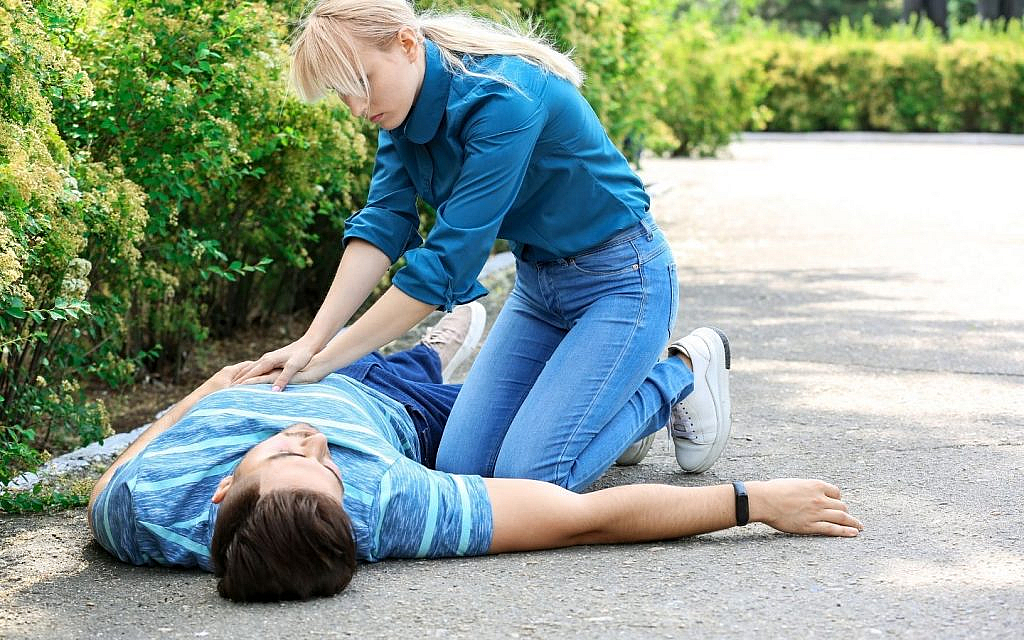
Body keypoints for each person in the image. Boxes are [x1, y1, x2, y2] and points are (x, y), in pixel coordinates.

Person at [230, 0, 726, 483]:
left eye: (362, 83)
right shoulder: (399, 110)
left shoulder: (504, 97)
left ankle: (679, 374)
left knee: (531, 475)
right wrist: (310, 343)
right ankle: (609, 405)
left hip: (622, 281)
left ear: (407, 44)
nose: (358, 108)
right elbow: (383, 223)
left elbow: (447, 264)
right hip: (539, 289)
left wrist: (330, 361)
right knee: (461, 467)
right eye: (343, 94)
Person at [89, 305, 864, 603]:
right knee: (552, 457)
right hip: (395, 415)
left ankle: (442, 343)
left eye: (290, 453)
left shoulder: (140, 513)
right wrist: (750, 503)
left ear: (223, 490)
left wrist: (211, 390)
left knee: (409, 370)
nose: (309, 440)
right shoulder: (388, 506)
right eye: (321, 466)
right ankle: (683, 367)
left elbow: (113, 475)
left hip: (296, 371)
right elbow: (579, 521)